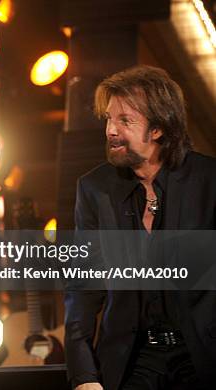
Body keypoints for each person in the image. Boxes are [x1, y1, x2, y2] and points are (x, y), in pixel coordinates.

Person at [65, 65, 216, 390]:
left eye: (124, 120)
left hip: (202, 355)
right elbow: (82, 286)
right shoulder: (94, 189)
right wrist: (84, 374)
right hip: (133, 358)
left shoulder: (209, 181)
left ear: (159, 129)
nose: (110, 131)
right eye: (108, 118)